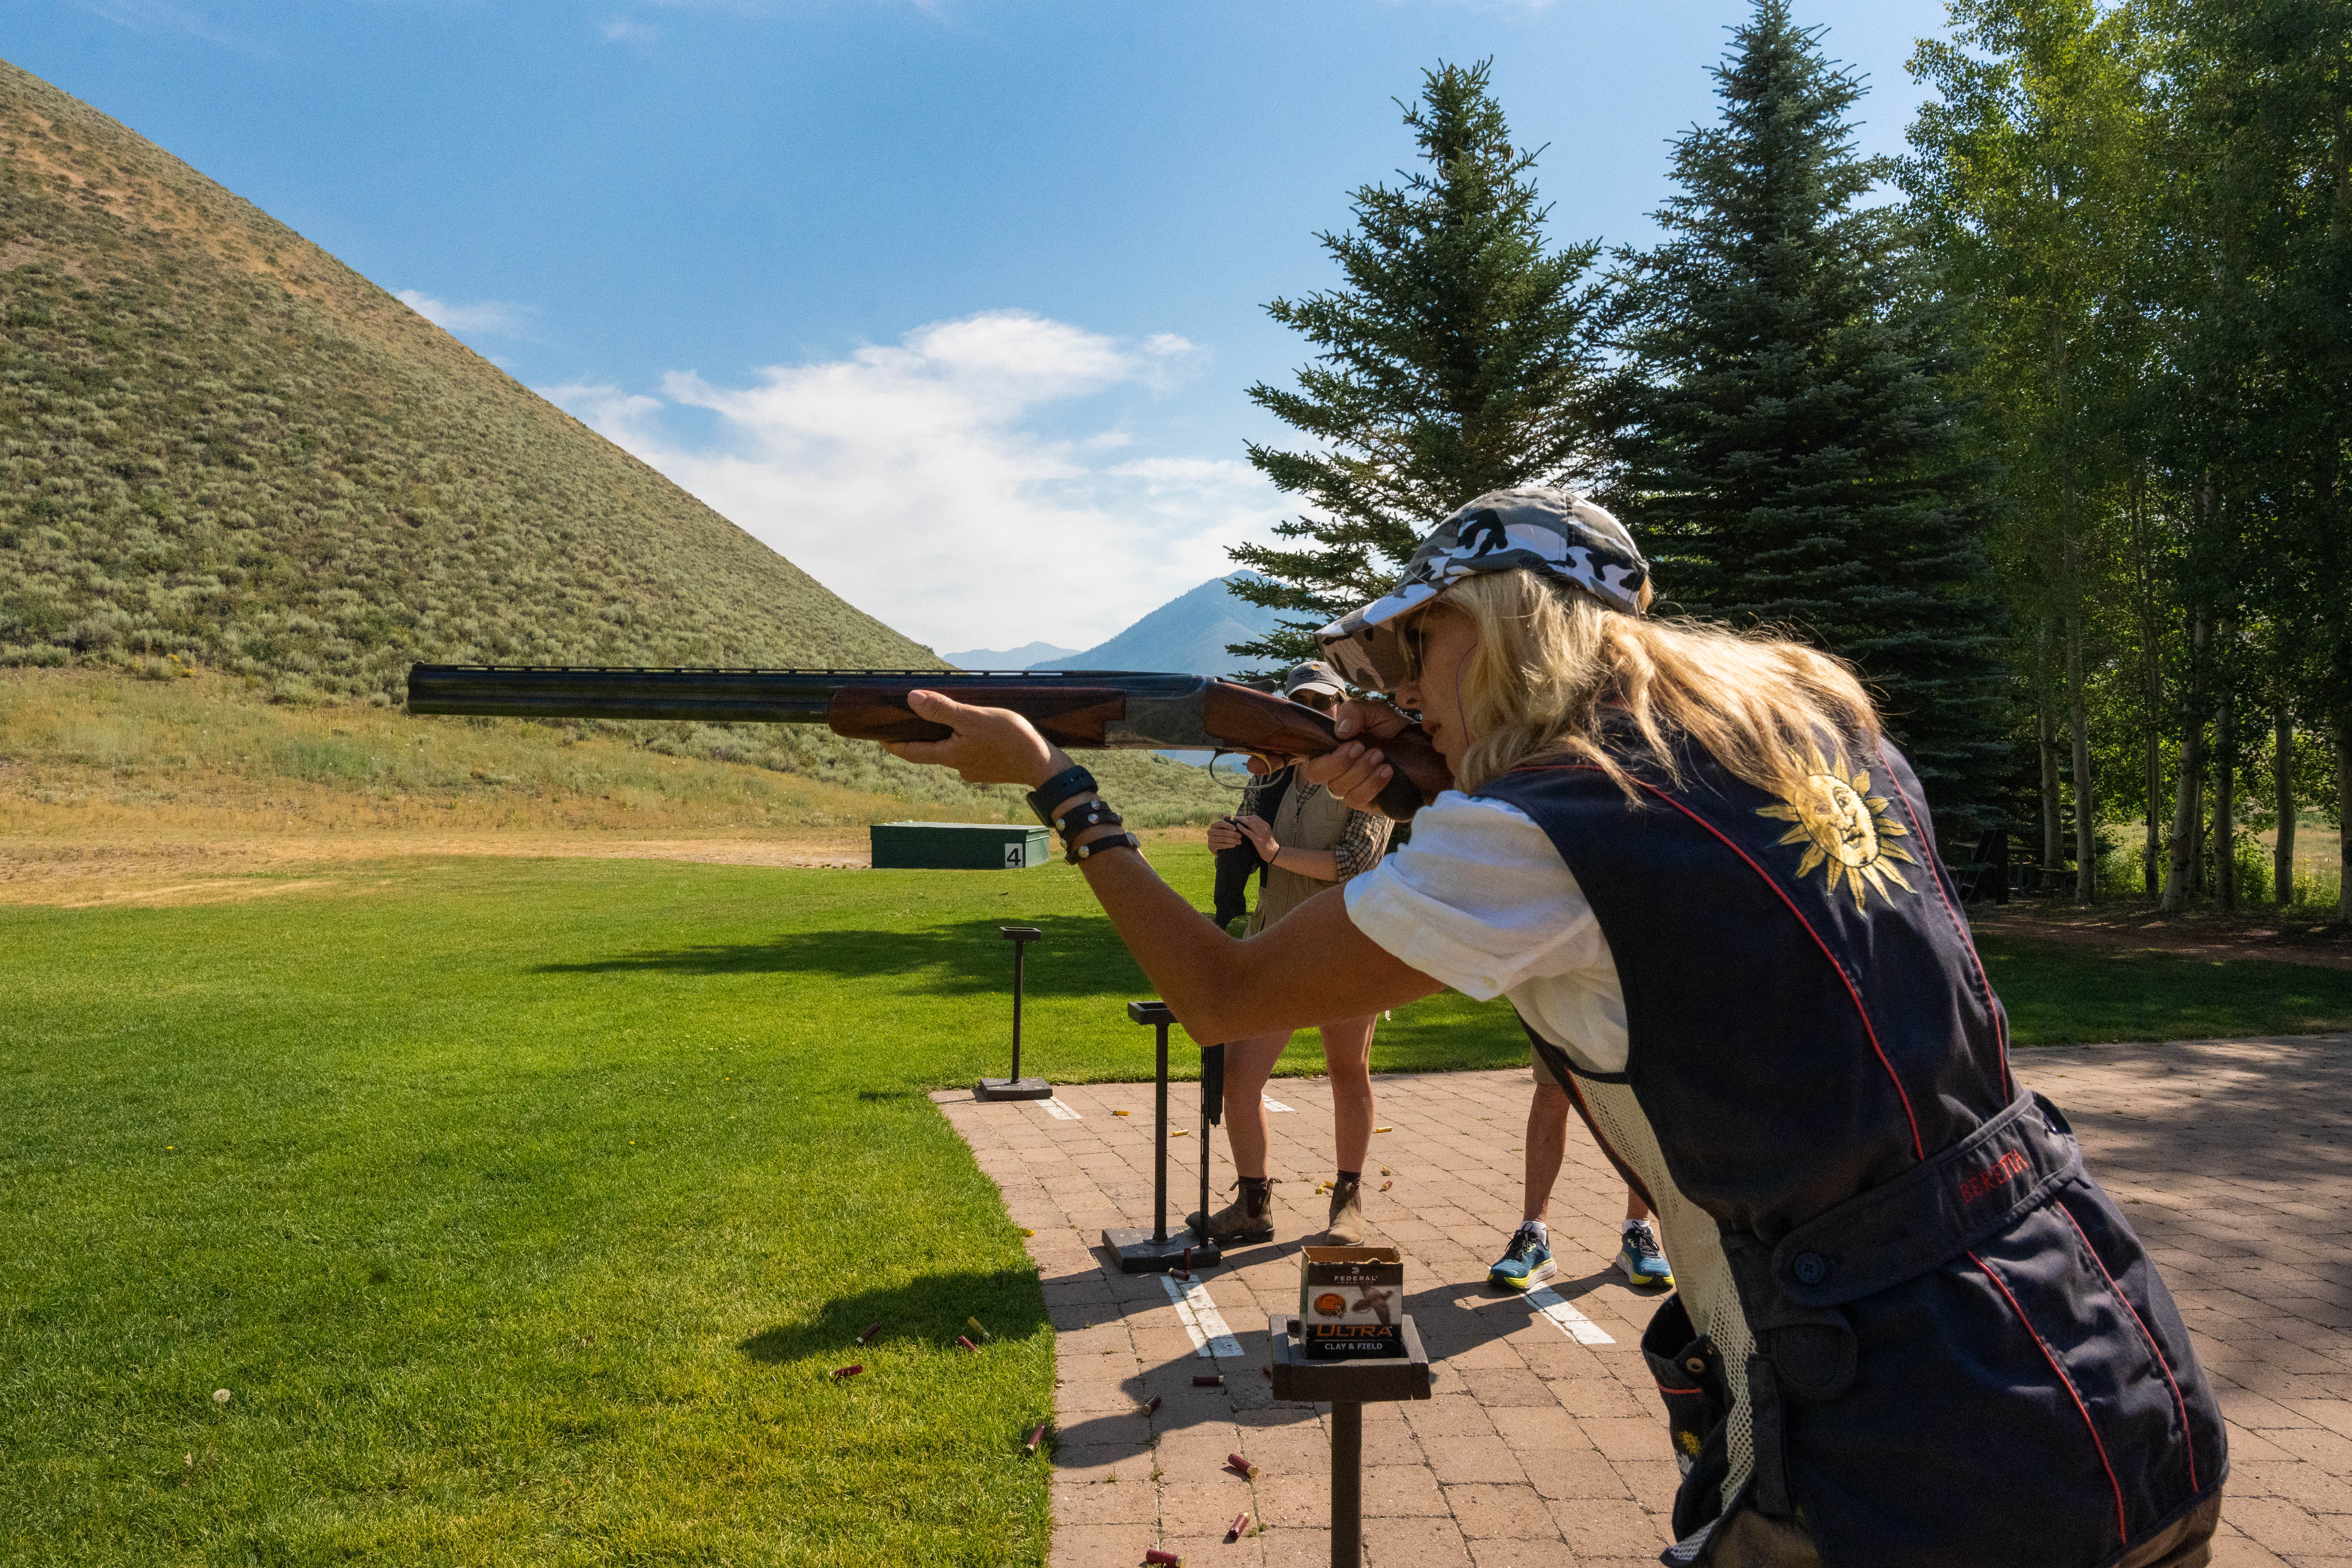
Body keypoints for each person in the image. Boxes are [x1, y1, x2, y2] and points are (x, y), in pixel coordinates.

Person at [881, 487, 2224, 1567]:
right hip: (2100, 1350)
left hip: (1905, 1452)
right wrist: (1426, 794)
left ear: (1504, 627)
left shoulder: (1538, 831)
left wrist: (1057, 786)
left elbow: (1222, 997)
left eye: (1419, 648)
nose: (1404, 688)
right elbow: (1653, 890)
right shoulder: (1816, 731)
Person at [1193, 659, 1394, 1246]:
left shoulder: (1368, 774)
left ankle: (1348, 1202)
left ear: (1342, 707)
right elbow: (1250, 844)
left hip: (1348, 945)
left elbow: (1357, 863)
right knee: (1239, 1080)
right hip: (1273, 940)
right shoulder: (1270, 773)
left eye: (1322, 702)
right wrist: (1224, 842)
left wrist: (1277, 852)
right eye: (1299, 702)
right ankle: (1253, 1205)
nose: (1312, 711)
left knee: (1348, 1072)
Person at [1488, 1033, 1673, 1294]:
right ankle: (1534, 1237)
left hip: (1632, 1007)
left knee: (1639, 1093)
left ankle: (1637, 1232)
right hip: (1559, 1007)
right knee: (1552, 1088)